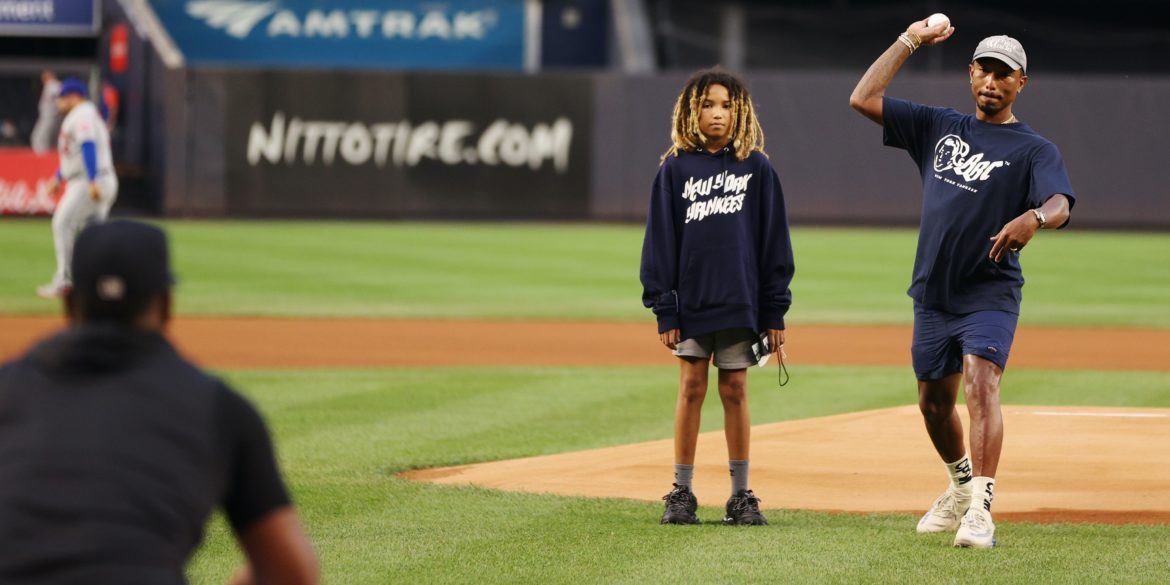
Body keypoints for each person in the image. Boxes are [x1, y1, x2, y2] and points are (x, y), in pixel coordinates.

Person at [850, 21, 1075, 548]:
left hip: (989, 293)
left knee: (980, 384)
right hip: (933, 293)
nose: (992, 82)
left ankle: (981, 511)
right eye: (985, 70)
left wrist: (1035, 220)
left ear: (1022, 83)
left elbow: (1061, 203)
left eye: (1004, 74)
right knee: (932, 402)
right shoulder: (938, 127)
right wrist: (909, 39)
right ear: (970, 73)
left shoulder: (1034, 149)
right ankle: (959, 486)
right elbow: (863, 97)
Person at [0, 220, 318, 584]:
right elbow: (293, 572)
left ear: (69, 303)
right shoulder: (220, 409)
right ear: (166, 304)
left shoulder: (6, 389)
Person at [640, 68, 794, 526]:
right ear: (692, 110)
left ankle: (740, 495)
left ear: (740, 112)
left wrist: (774, 310)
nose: (717, 113)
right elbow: (659, 244)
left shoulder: (758, 168)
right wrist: (665, 307)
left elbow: (774, 245)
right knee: (691, 388)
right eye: (707, 104)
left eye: (726, 105)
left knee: (735, 389)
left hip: (741, 303)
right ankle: (682, 492)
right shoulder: (675, 169)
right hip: (690, 304)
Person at [37, 78, 119, 299]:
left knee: (63, 223)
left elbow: (88, 146)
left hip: (89, 181)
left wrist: (92, 180)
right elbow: (75, 155)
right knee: (94, 235)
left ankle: (66, 282)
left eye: (62, 97)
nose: (59, 102)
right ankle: (105, 283)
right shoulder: (87, 114)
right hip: (98, 178)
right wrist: (58, 177)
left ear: (74, 96)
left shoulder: (82, 114)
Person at [30, 70, 60, 154]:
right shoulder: (49, 85)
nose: (43, 78)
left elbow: (60, 94)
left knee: (40, 138)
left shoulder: (53, 85)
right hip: (46, 116)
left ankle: (43, 157)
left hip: (51, 116)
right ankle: (43, 155)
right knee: (39, 137)